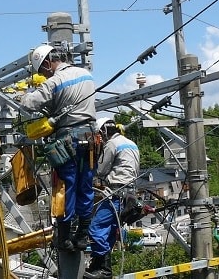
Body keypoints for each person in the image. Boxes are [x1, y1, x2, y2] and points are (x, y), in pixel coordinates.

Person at [19, 44, 97, 252]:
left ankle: (64, 237)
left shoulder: (55, 81)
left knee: (66, 187)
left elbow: (28, 104)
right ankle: (82, 236)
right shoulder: (86, 74)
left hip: (68, 141)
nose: (43, 75)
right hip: (90, 140)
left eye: (42, 71)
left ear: (47, 62)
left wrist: (26, 92)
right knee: (85, 187)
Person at [84, 117, 140, 279]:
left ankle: (103, 269)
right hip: (129, 197)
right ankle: (98, 266)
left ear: (103, 131)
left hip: (115, 194)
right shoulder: (131, 143)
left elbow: (100, 170)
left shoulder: (112, 144)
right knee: (108, 232)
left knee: (95, 228)